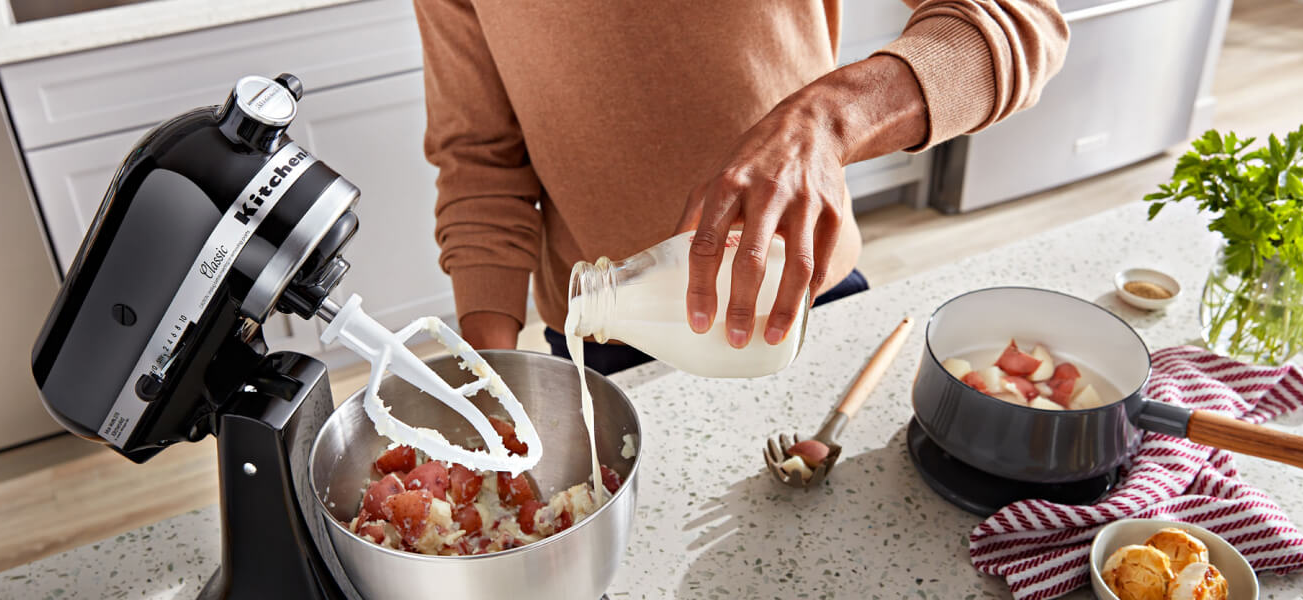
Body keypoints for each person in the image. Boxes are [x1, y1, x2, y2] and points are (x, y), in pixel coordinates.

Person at [415, 0, 1068, 374]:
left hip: (802, 296)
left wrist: (826, 120)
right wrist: (486, 376)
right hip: (608, 343)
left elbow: (1018, 23)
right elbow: (479, 156)